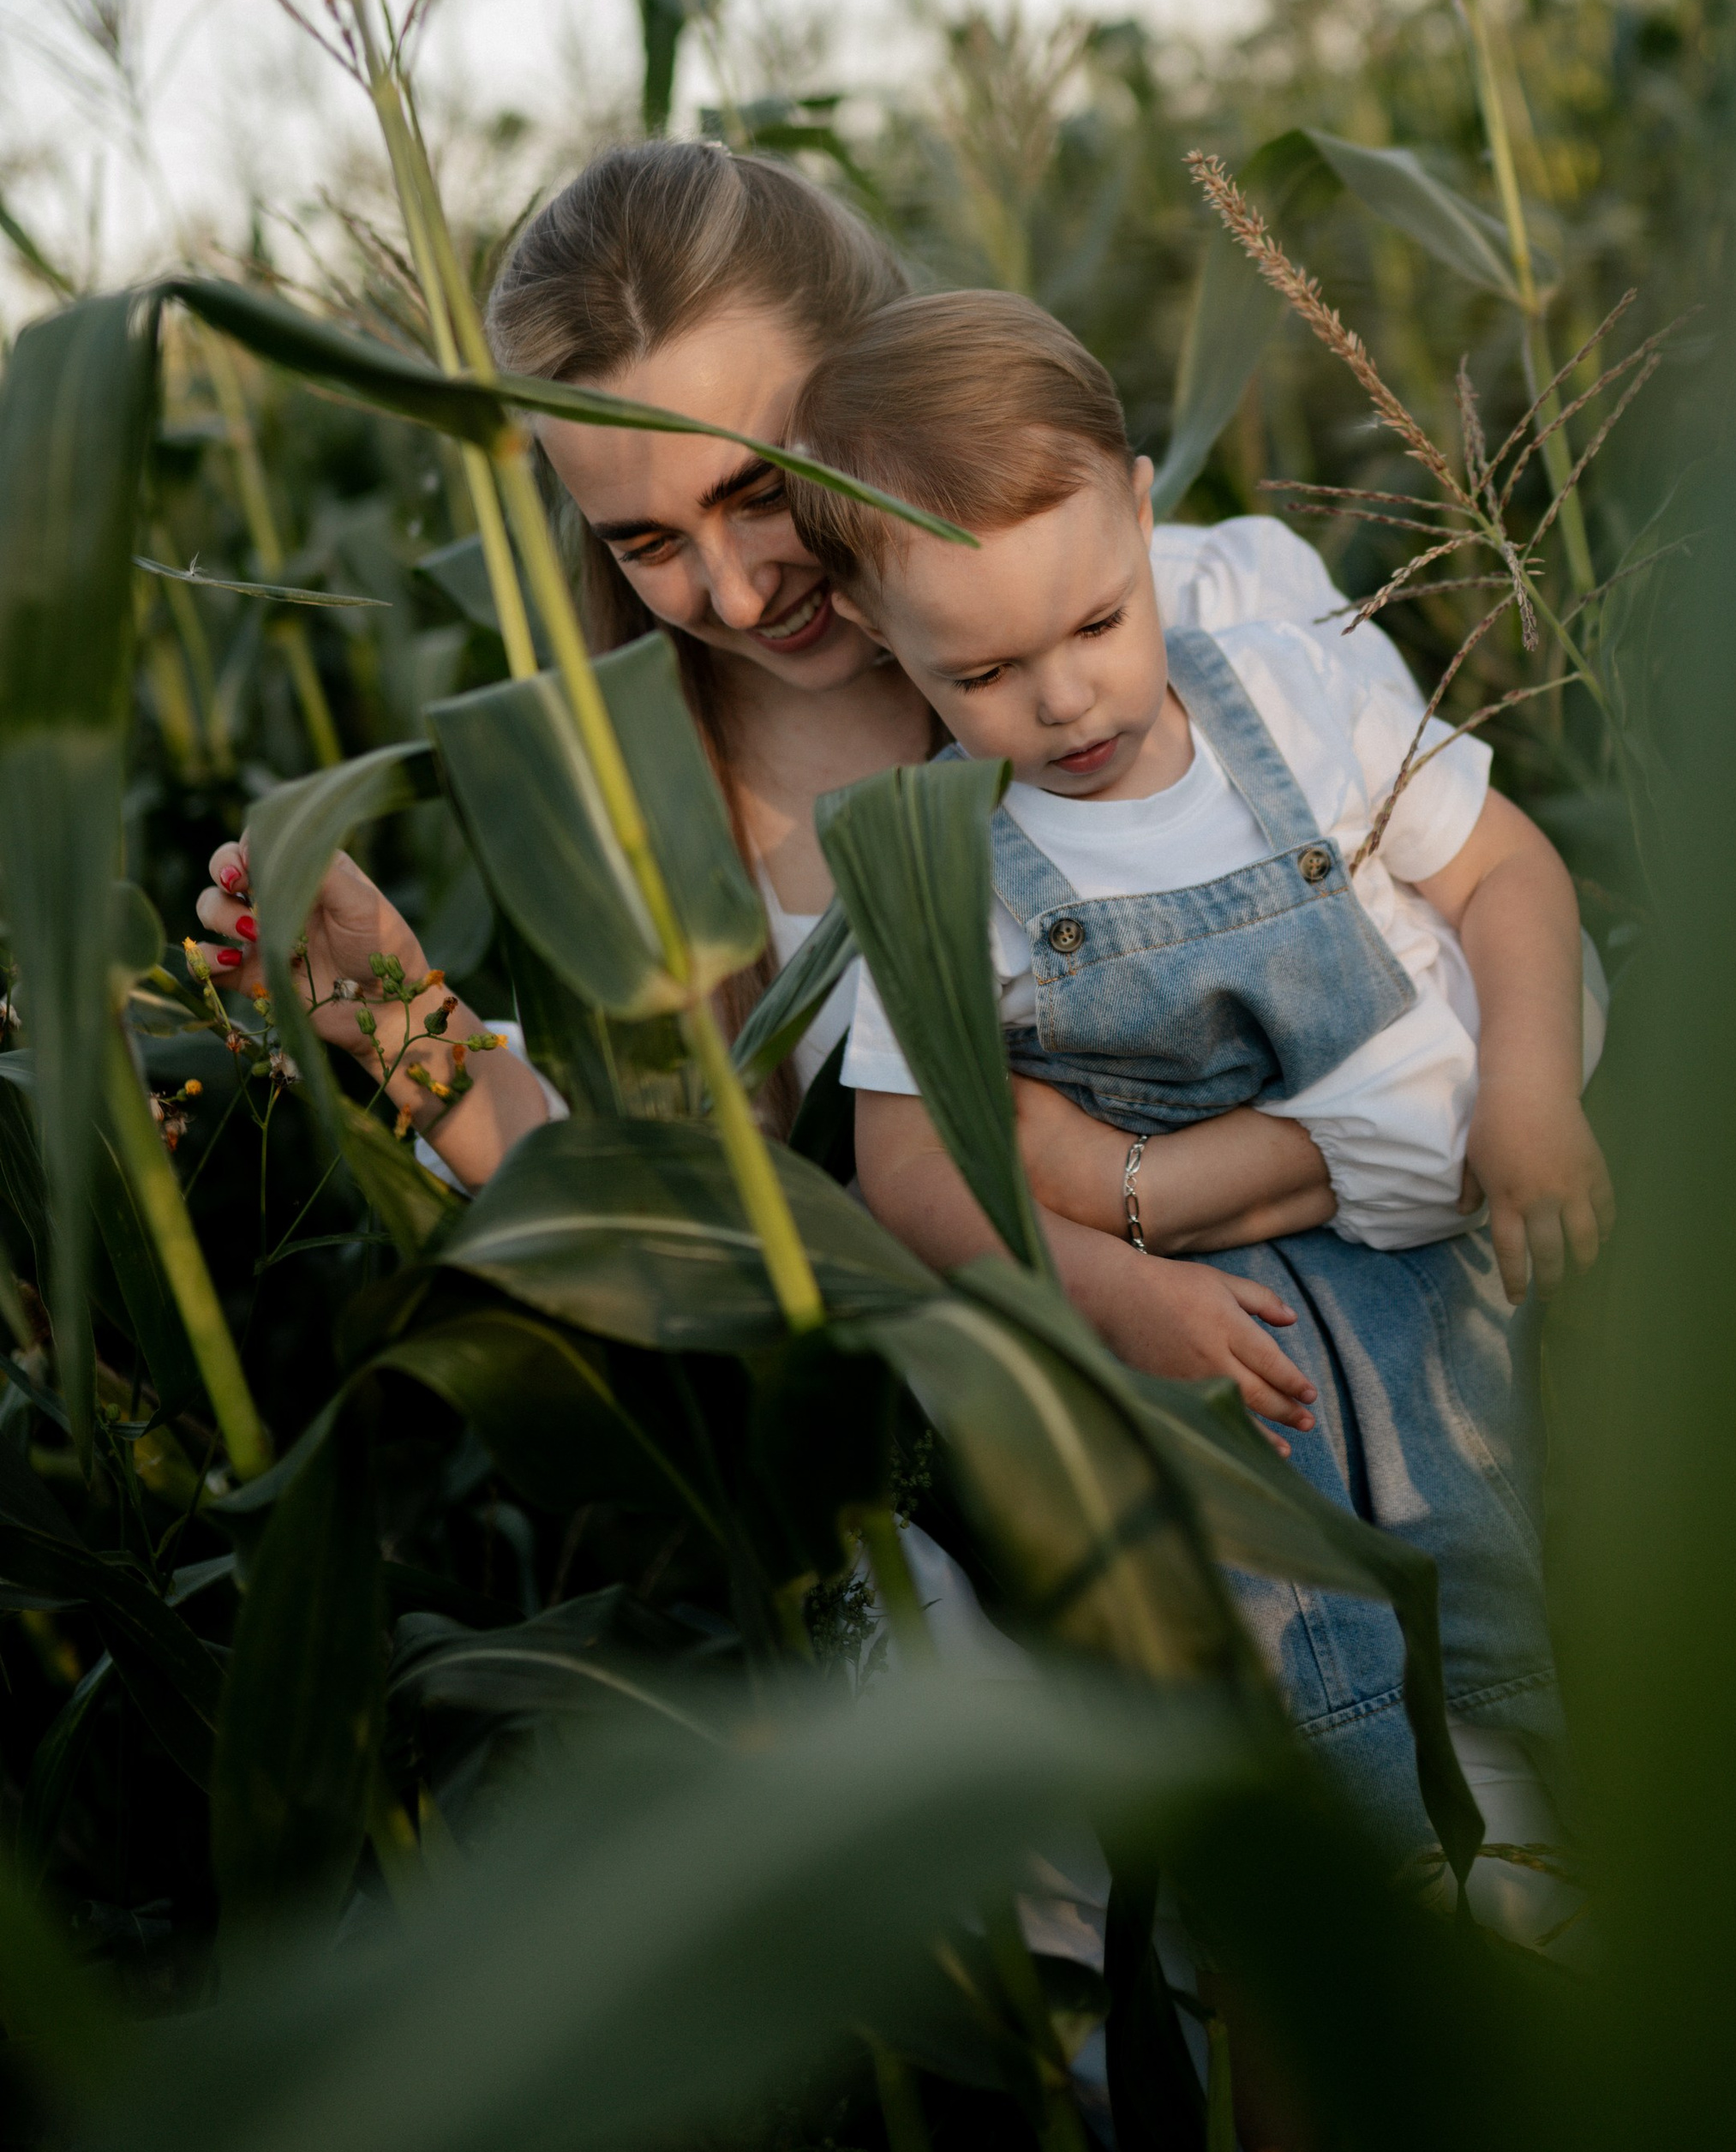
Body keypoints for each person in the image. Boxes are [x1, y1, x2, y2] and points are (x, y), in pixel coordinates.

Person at [195, 142, 1417, 1421]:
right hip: (1032, 1508)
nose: (731, 593)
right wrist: (406, 1028)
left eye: (762, 489)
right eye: (651, 542)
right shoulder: (647, 800)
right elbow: (683, 1204)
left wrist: (1136, 1188)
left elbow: (1510, 1005)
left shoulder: (1225, 615)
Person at [786, 282, 1609, 1837]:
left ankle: (1538, 1890)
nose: (1065, 695)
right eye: (981, 674)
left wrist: (1529, 1086)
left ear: (1144, 513)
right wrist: (1107, 1291)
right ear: (877, 636)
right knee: (1302, 1671)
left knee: (1497, 1599)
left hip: (1426, 1283)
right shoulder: (934, 854)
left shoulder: (1294, 701)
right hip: (1194, 1335)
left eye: (1099, 620)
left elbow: (1512, 877)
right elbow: (904, 1167)